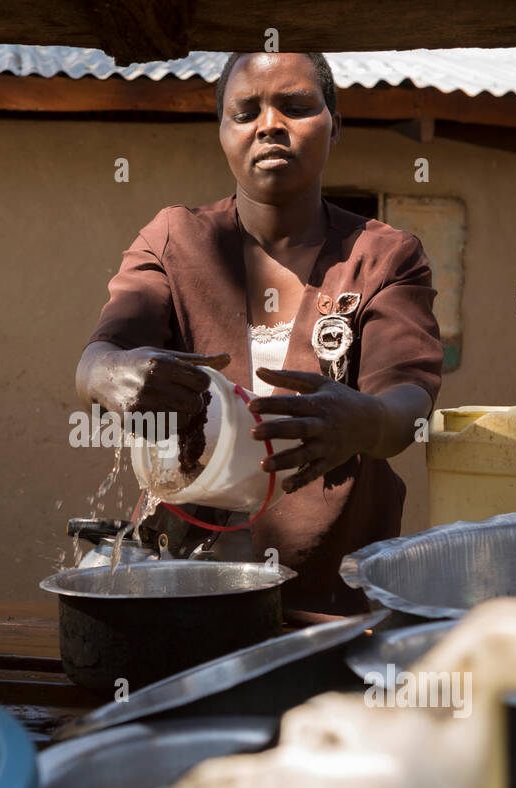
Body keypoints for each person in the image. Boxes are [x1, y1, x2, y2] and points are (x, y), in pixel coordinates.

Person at [75, 52, 443, 623]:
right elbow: (99, 359)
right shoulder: (176, 242)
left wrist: (362, 421)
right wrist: (109, 376)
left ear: (335, 124)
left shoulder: (383, 257)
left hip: (334, 606)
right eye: (244, 112)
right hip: (188, 591)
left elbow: (407, 404)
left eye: (295, 107)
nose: (269, 124)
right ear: (222, 132)